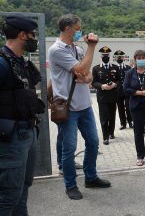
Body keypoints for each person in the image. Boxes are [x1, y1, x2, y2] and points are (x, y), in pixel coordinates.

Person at [48, 14, 110, 200]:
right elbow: (81, 69)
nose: (79, 32)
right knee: (69, 148)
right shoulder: (57, 50)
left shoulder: (77, 49)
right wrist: (92, 46)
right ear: (68, 29)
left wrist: (87, 77)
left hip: (85, 106)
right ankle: (70, 184)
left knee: (93, 142)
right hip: (68, 108)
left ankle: (90, 177)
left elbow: (88, 74)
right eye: (77, 29)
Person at [0, 15, 45, 215]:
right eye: (32, 35)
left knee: (22, 189)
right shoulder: (2, 63)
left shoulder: (21, 63)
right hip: (11, 138)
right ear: (22, 35)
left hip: (28, 132)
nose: (34, 39)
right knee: (8, 196)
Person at [92, 46, 120, 145]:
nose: (105, 56)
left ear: (109, 56)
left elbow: (119, 80)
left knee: (112, 116)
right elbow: (94, 83)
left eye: (107, 55)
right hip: (102, 97)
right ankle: (105, 137)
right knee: (104, 117)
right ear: (101, 56)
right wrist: (102, 86)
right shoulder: (96, 68)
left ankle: (111, 132)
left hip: (113, 96)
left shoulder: (115, 67)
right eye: (103, 55)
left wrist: (115, 84)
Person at [114, 50, 133, 130]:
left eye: (121, 56)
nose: (119, 58)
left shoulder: (128, 68)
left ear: (123, 58)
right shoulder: (113, 68)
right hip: (117, 91)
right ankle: (123, 123)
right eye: (118, 57)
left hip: (127, 91)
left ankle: (130, 122)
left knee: (128, 107)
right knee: (120, 108)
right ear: (115, 58)